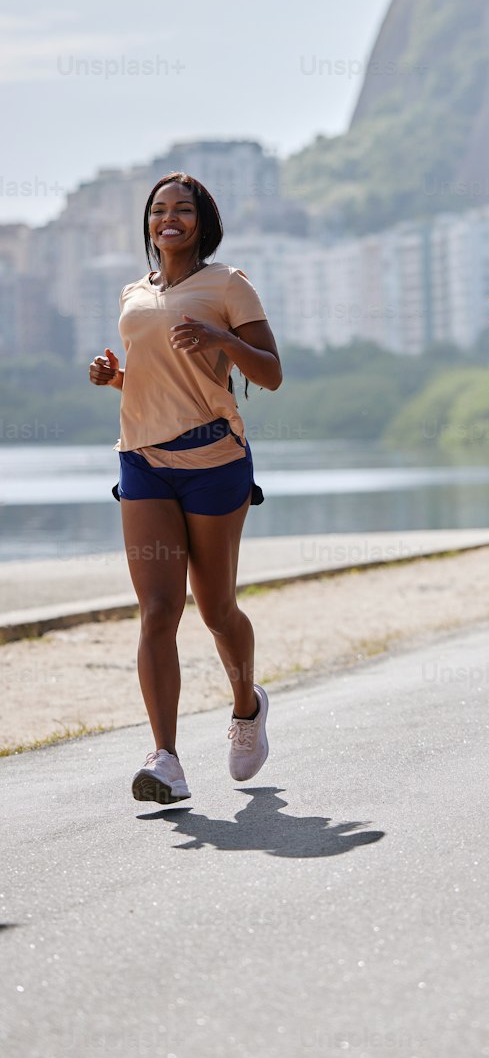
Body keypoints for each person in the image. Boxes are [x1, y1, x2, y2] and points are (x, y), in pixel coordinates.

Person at [89, 173, 283, 805]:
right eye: (158, 210)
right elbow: (158, 379)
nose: (168, 218)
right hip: (141, 458)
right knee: (157, 610)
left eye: (181, 210)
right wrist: (117, 378)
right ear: (149, 223)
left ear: (201, 221)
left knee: (217, 607)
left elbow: (271, 373)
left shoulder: (228, 284)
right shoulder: (132, 293)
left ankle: (246, 706)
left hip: (215, 457)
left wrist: (221, 338)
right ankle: (166, 758)